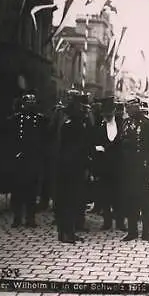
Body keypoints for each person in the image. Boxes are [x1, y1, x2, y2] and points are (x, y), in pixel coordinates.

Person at [119, 97, 149, 243]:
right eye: (126, 108)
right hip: (129, 168)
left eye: (129, 108)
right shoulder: (125, 123)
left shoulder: (148, 124)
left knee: (146, 202)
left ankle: (147, 232)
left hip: (144, 168)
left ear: (136, 108)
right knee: (130, 200)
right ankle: (132, 231)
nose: (127, 111)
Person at [54, 91, 94, 243]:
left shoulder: (68, 117)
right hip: (73, 165)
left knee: (67, 199)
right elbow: (83, 144)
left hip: (66, 163)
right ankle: (67, 233)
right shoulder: (76, 120)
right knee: (69, 199)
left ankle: (66, 231)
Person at [7, 92, 48, 228]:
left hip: (33, 159)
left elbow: (44, 139)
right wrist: (13, 153)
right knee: (17, 189)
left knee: (32, 190)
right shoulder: (16, 119)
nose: (30, 105)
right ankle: (17, 217)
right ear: (23, 104)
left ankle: (30, 218)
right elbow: (10, 139)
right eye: (27, 103)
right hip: (19, 159)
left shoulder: (40, 119)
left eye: (32, 103)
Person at [92, 96, 126, 231]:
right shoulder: (99, 125)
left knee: (119, 195)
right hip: (104, 166)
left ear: (114, 112)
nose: (106, 117)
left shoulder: (122, 124)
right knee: (105, 195)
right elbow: (93, 143)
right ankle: (106, 221)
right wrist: (98, 148)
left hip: (119, 166)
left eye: (109, 114)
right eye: (104, 114)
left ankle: (120, 222)